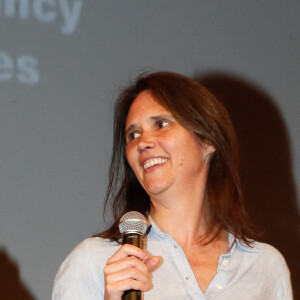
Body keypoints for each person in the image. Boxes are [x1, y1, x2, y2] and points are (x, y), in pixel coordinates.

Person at [52, 72, 293, 299]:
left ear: (208, 139)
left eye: (161, 124)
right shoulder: (95, 261)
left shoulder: (265, 267)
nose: (143, 143)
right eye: (132, 135)